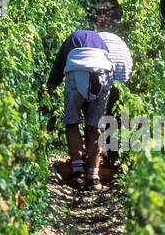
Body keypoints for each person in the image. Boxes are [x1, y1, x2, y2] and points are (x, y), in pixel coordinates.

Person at [47, 28, 115, 188]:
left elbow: (58, 68)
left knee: (72, 123)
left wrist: (49, 89)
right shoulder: (101, 42)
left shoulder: (71, 39)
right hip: (102, 74)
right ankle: (94, 176)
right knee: (95, 126)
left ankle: (77, 171)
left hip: (76, 72)